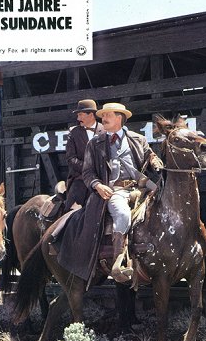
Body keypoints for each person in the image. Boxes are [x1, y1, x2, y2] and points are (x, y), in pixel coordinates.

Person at [56, 102, 163, 286]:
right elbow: (88, 172)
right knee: (122, 214)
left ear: (119, 118)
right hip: (115, 191)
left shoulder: (138, 139)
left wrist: (155, 162)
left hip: (140, 188)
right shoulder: (95, 143)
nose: (103, 118)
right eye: (102, 115)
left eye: (108, 115)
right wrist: (98, 185)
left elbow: (149, 155)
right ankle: (119, 261)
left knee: (164, 204)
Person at [65, 99, 104, 211]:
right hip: (80, 179)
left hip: (103, 179)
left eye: (80, 115)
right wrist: (88, 170)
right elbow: (71, 159)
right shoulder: (73, 133)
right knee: (70, 211)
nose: (78, 119)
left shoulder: (106, 131)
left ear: (91, 114)